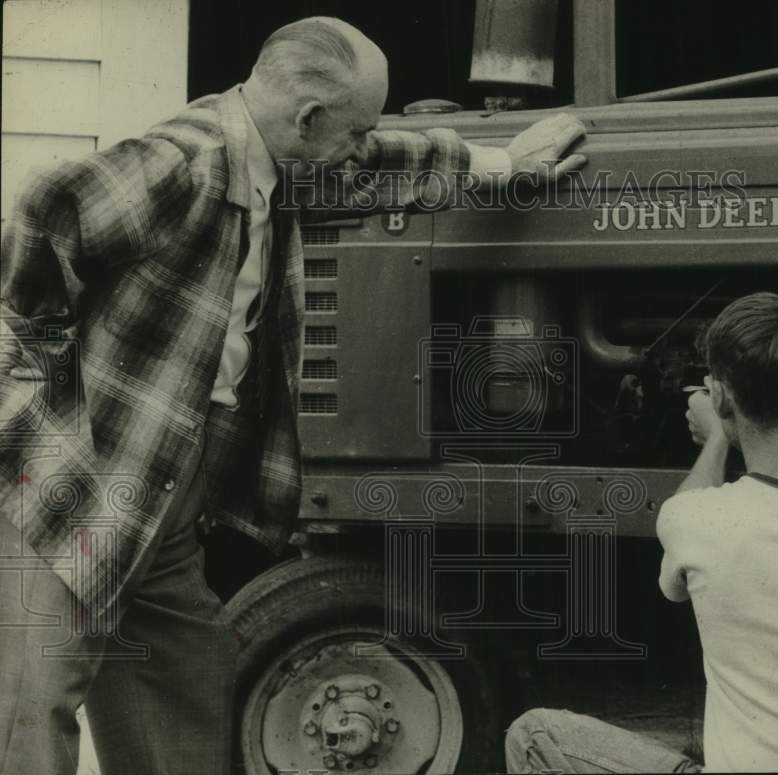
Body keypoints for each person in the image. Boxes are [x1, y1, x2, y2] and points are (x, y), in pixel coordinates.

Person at [0, 16, 586, 775]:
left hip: (163, 482)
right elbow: (46, 211)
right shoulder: (187, 162)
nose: (360, 142)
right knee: (32, 699)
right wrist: (42, 381)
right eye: (353, 128)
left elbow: (375, 164)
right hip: (82, 479)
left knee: (182, 675)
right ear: (309, 120)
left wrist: (500, 161)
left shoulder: (281, 156)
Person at [505, 292, 778, 773]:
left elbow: (683, 510)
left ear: (723, 395)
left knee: (534, 734)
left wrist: (715, 438)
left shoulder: (696, 521)